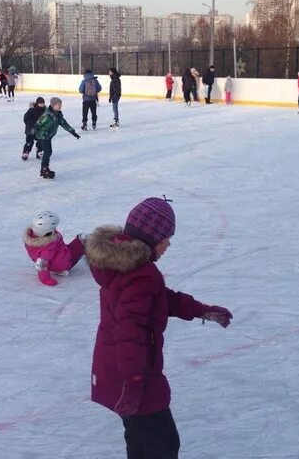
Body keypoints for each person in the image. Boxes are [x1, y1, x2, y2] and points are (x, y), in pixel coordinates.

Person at [86, 196, 232, 459]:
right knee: (163, 444)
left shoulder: (121, 266)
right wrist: (133, 381)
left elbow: (162, 299)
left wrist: (201, 310)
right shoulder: (141, 275)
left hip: (114, 369)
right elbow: (129, 330)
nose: (169, 244)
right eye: (166, 237)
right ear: (150, 238)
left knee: (140, 438)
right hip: (134, 374)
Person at [23, 210, 85, 286]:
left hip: (58, 256)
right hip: (62, 262)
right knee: (81, 244)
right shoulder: (47, 248)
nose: (55, 229)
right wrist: (46, 280)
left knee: (78, 244)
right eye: (53, 228)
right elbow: (41, 265)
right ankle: (61, 269)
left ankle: (59, 269)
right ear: (47, 232)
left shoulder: (32, 237)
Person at [32, 97, 80, 179]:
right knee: (48, 151)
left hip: (48, 135)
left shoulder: (58, 114)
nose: (60, 106)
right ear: (53, 105)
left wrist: (72, 131)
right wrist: (34, 133)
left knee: (48, 152)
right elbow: (38, 123)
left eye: (61, 104)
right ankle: (44, 169)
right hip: (43, 135)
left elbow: (64, 123)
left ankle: (44, 167)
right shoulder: (47, 114)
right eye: (58, 105)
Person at [22, 97, 46, 161]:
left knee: (41, 141)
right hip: (31, 129)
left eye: (43, 103)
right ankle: (26, 152)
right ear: (37, 103)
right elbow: (26, 118)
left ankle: (39, 151)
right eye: (40, 103)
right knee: (29, 141)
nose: (42, 105)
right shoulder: (31, 109)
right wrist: (31, 124)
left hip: (40, 129)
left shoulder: (45, 110)